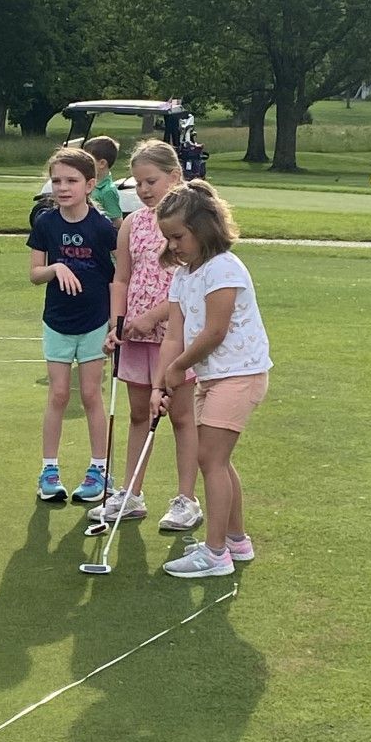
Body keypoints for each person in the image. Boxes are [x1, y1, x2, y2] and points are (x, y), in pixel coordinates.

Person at [150, 180, 272, 578]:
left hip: (241, 373)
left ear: (204, 227)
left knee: (210, 459)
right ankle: (236, 541)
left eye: (179, 236)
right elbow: (174, 335)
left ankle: (216, 552)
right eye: (168, 239)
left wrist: (175, 369)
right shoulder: (184, 275)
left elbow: (214, 332)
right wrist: (159, 383)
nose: (173, 246)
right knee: (218, 460)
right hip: (214, 377)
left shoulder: (224, 268)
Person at [89, 139, 201, 531]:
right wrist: (117, 325)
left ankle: (187, 499)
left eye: (151, 181)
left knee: (181, 417)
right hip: (135, 335)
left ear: (175, 176)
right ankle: (131, 492)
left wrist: (151, 317)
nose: (144, 190)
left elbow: (185, 286)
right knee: (139, 414)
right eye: (137, 183)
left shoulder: (189, 227)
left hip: (175, 334)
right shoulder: (134, 223)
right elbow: (121, 278)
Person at [28, 147, 117, 504]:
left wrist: (115, 323)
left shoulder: (102, 228)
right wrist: (56, 268)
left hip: (95, 322)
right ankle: (49, 470)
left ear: (90, 184)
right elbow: (35, 273)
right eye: (57, 181)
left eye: (72, 181)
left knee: (92, 395)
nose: (63, 188)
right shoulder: (46, 223)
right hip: (57, 321)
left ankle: (99, 470)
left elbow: (116, 279)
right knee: (60, 394)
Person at [83, 136, 123, 229]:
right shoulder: (87, 182)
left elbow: (117, 221)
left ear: (102, 163)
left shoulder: (107, 190)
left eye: (88, 159)